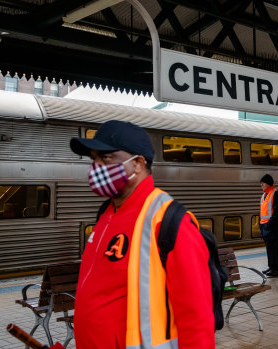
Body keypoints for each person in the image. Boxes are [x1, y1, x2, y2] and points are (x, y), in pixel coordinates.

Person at [69, 120, 215, 349]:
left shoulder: (169, 221)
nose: (96, 167)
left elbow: (196, 317)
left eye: (105, 158)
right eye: (93, 159)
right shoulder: (105, 215)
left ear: (137, 163)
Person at [259, 173, 278, 277]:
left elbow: (277, 211)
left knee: (273, 248)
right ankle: (271, 267)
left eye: (262, 183)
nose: (261, 185)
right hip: (265, 226)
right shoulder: (264, 195)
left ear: (268, 183)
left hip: (273, 226)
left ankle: (276, 269)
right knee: (269, 248)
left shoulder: (276, 194)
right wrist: (262, 226)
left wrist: (270, 223)